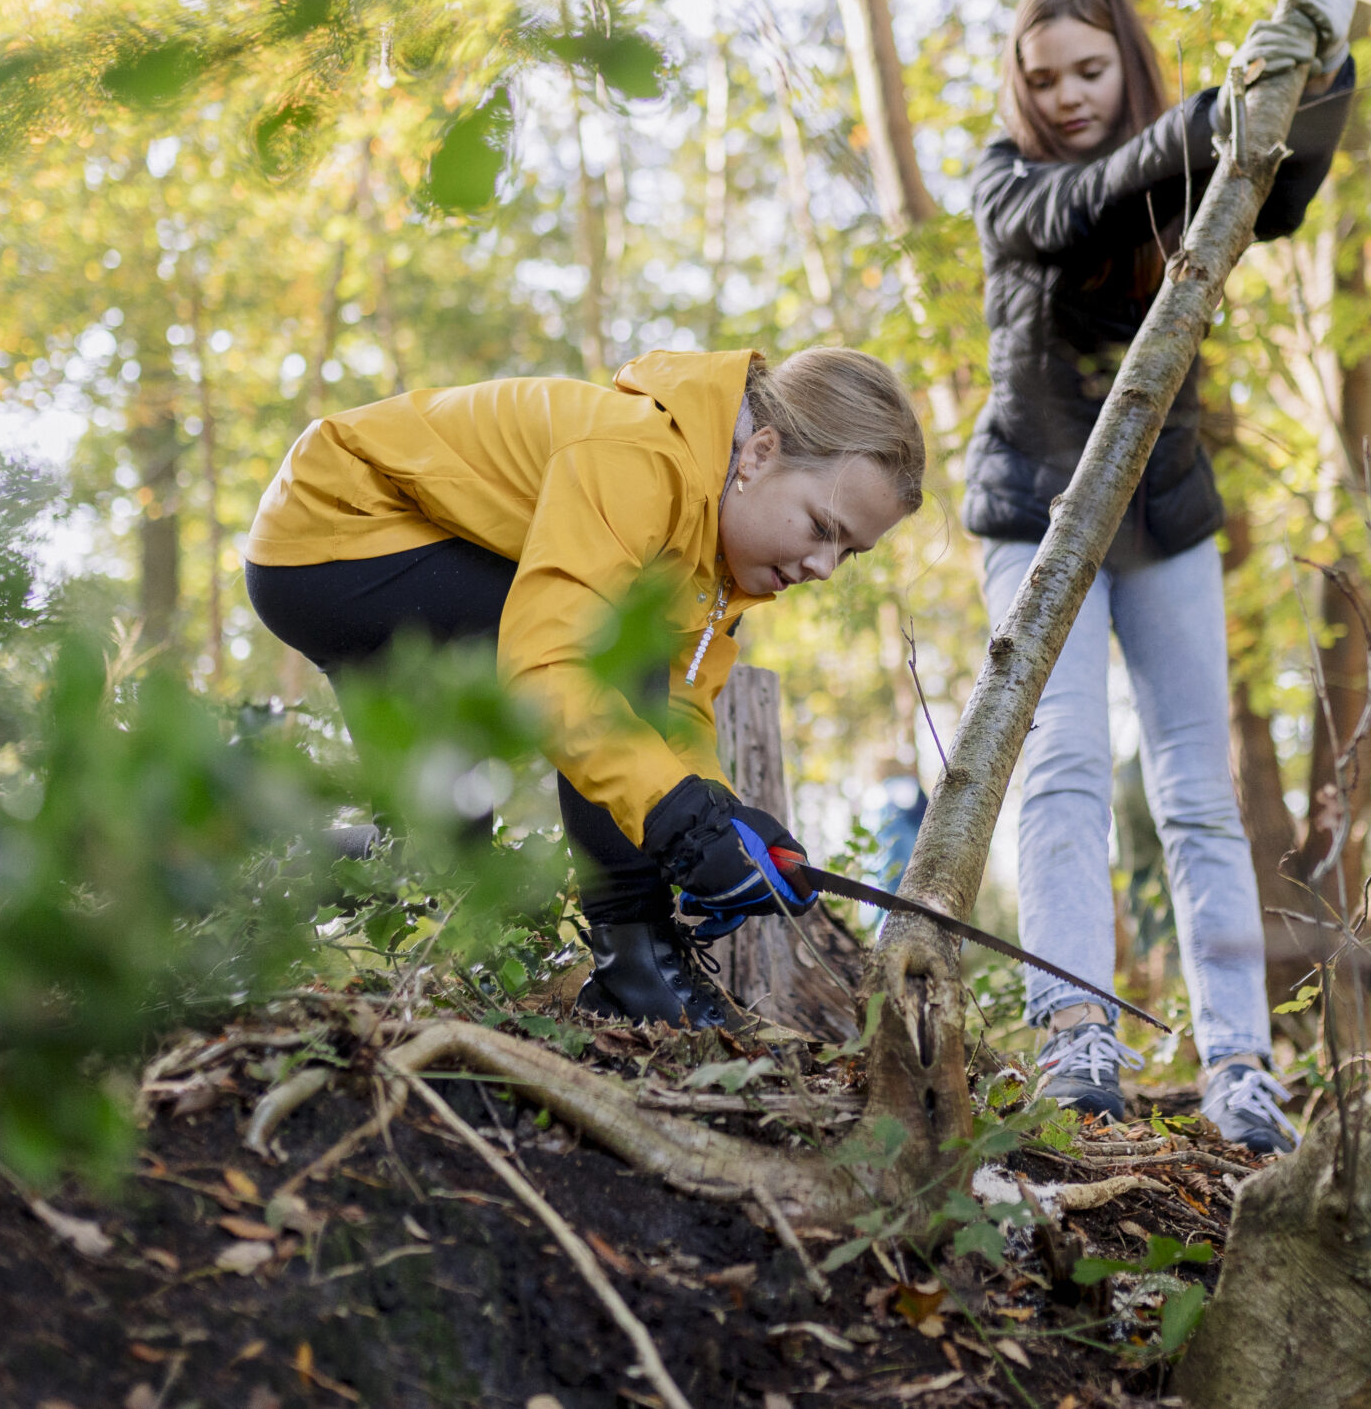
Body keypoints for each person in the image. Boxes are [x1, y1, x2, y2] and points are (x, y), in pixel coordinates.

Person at [965, 0, 1358, 1153]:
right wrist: (1206, 117)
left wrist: (1321, 69)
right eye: (1045, 79)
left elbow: (1277, 196)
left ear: (1124, 61)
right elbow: (1069, 211)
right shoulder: (1010, 180)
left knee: (1197, 792)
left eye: (1090, 70)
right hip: (1035, 510)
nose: (1069, 95)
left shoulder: (1190, 172)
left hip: (1167, 513)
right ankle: (1073, 1032)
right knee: (1066, 763)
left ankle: (1240, 1065)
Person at [243, 346, 927, 1028]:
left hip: (365, 560)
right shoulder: (641, 458)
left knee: (438, 860)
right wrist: (678, 821)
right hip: (339, 532)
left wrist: (722, 820)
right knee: (615, 645)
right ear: (758, 455)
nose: (826, 567)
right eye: (821, 528)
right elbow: (554, 666)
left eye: (850, 551)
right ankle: (637, 969)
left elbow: (680, 706)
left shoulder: (712, 549)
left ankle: (219, 861)